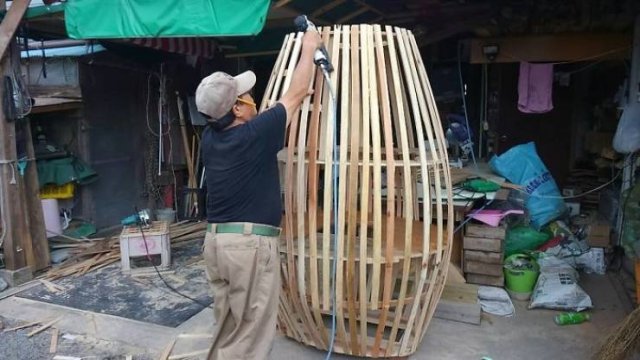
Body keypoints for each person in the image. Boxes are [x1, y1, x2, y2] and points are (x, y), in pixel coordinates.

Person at [195, 30, 322, 360]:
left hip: (216, 245)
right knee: (251, 335)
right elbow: (293, 95)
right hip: (247, 249)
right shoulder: (254, 134)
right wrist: (309, 47)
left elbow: (290, 98)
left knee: (227, 328)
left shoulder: (210, 138)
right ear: (237, 110)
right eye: (246, 96)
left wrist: (296, 93)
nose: (254, 99)